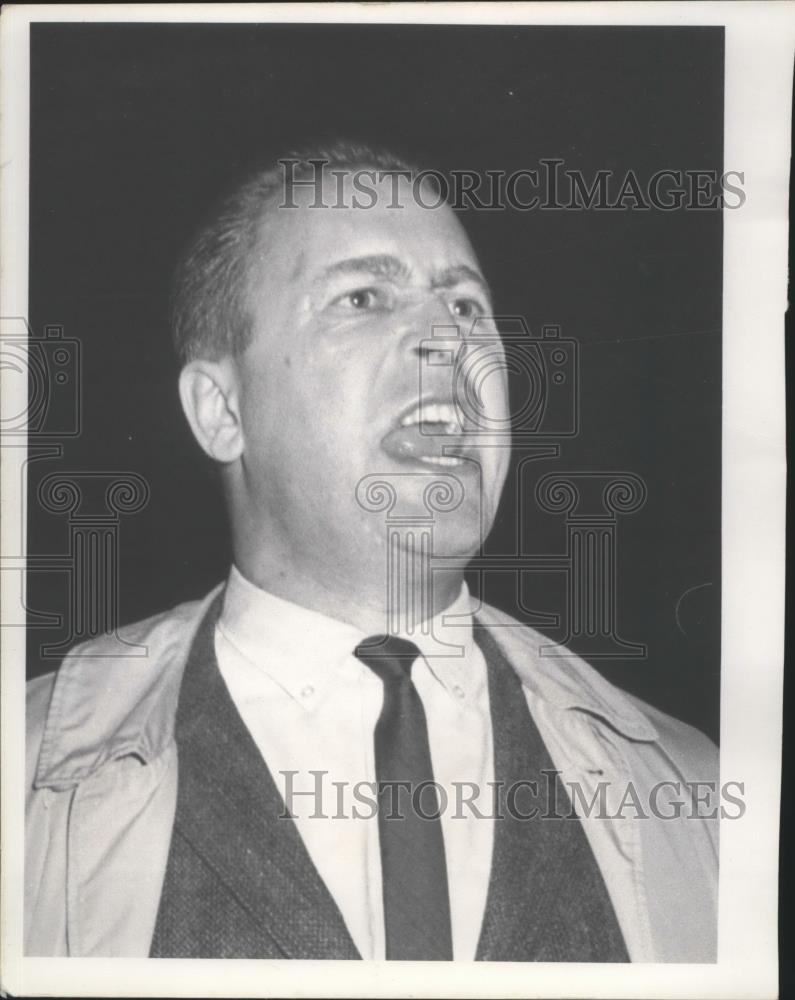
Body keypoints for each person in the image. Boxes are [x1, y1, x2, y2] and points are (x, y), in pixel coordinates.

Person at [24, 143, 718, 962]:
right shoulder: (28, 788)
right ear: (220, 409)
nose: (445, 343)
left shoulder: (689, 791)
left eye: (465, 308)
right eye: (362, 297)